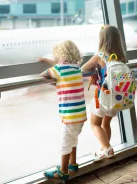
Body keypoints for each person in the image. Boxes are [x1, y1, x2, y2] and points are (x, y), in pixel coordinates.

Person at [39, 40, 87, 181]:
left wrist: (53, 79)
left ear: (58, 56)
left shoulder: (59, 69)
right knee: (73, 139)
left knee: (66, 143)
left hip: (70, 115)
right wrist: (58, 81)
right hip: (80, 114)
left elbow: (43, 75)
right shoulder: (77, 68)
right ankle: (72, 164)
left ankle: (63, 171)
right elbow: (66, 80)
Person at [81, 25, 127, 162]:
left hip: (104, 97)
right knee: (105, 124)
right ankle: (103, 149)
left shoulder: (100, 56)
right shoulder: (121, 57)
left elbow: (82, 69)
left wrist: (95, 70)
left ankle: (107, 148)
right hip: (117, 98)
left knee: (94, 124)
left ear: (102, 39)